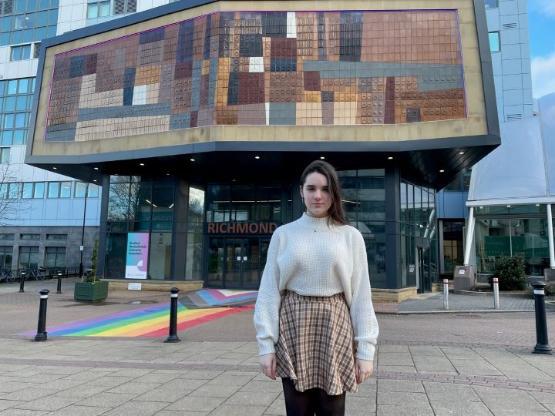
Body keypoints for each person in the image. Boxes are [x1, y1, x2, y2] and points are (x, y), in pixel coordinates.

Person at [253, 160, 379, 416]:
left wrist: (366, 350)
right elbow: (268, 293)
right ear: (301, 191)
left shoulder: (350, 236)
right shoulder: (284, 234)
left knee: (332, 409)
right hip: (292, 327)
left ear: (334, 193)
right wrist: (266, 345)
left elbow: (361, 296)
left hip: (334, 328)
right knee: (297, 410)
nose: (318, 195)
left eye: (325, 189)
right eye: (311, 188)